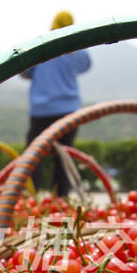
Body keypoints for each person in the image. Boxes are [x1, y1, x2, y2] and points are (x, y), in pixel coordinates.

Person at [21, 11, 91, 197]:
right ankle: (61, 199)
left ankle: (31, 197)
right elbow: (86, 64)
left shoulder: (42, 46)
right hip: (68, 111)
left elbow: (25, 71)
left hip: (41, 111)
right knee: (64, 156)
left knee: (34, 156)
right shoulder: (76, 48)